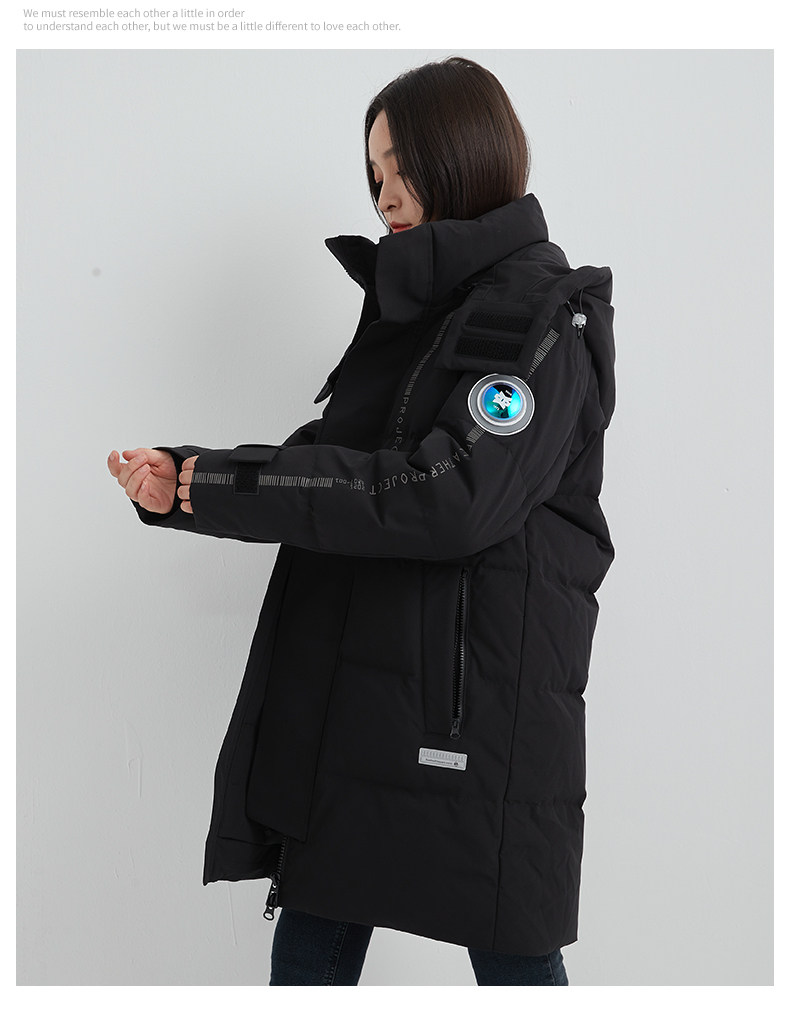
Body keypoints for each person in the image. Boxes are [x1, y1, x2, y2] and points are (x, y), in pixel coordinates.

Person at [107, 56, 616, 986]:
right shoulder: (418, 315)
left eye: (402, 167)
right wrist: (190, 480)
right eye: (374, 172)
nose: (384, 194)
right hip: (362, 710)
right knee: (312, 941)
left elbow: (441, 494)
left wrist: (209, 484)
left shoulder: (540, 322)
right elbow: (337, 463)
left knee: (514, 959)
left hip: (476, 727)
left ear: (463, 155)